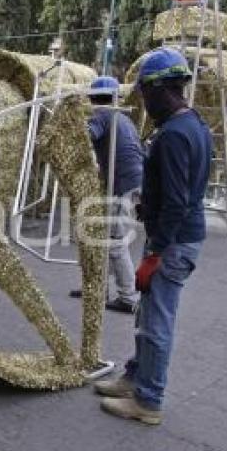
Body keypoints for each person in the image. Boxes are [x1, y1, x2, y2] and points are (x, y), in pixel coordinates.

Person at [94, 47, 212, 425]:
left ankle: (148, 400)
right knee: (147, 314)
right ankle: (135, 377)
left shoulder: (176, 135)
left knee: (157, 320)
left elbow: (178, 201)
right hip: (173, 236)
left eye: (145, 93)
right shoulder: (192, 124)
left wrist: (155, 252)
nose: (143, 102)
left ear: (161, 89)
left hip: (172, 244)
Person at [69, 76, 144, 314]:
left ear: (93, 98)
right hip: (132, 180)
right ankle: (98, 287)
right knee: (104, 236)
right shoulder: (123, 117)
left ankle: (128, 296)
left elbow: (85, 136)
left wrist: (69, 125)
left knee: (113, 242)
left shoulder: (102, 115)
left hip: (121, 183)